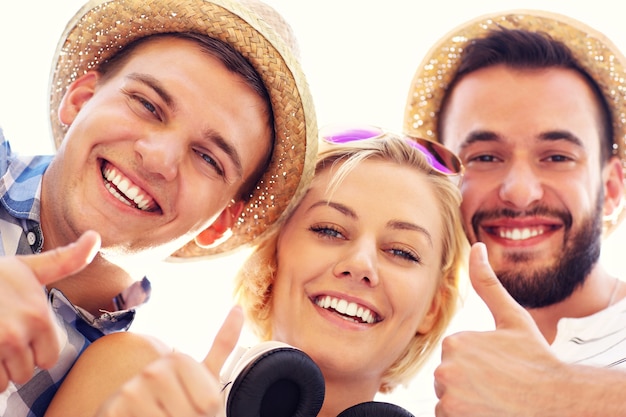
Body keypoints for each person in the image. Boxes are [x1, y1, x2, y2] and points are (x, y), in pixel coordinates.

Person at [0, 0, 317, 415]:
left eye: (208, 158)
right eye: (147, 105)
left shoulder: (134, 391)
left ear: (218, 224)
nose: (159, 159)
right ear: (80, 99)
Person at [41, 127, 468, 417]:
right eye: (329, 230)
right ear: (273, 260)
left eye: (402, 252)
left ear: (434, 306)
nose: (361, 265)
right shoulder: (134, 378)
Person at [403, 9, 626, 416]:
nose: (519, 192)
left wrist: (554, 394)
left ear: (611, 189)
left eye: (557, 156)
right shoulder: (430, 386)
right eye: (485, 157)